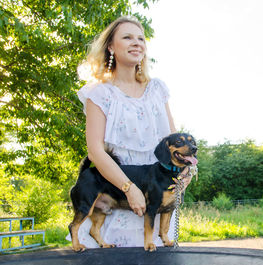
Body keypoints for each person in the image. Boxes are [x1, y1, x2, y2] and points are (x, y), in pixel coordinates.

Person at [67, 16, 193, 248]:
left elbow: (175, 142)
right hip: (114, 201)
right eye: (127, 37)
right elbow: (95, 151)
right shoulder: (98, 93)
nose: (137, 43)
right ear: (111, 47)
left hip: (157, 204)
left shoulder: (157, 89)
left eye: (141, 39)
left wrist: (184, 176)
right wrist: (129, 188)